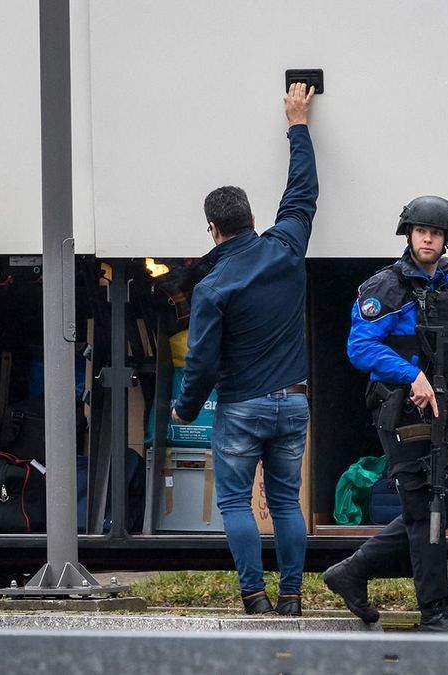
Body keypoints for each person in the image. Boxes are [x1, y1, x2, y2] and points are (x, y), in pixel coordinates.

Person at [170, 82, 317, 616]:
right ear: (254, 219)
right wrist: (298, 125)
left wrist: (184, 407)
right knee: (284, 501)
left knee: (235, 500)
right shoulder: (285, 248)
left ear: (212, 230)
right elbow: (302, 193)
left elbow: (202, 361)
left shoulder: (212, 288)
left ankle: (255, 598)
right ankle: (294, 598)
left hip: (242, 408)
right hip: (294, 402)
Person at [324, 195, 448, 632]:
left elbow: (438, 352)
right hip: (401, 411)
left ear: (447, 239)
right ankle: (434, 613)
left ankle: (351, 573)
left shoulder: (444, 288)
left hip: (438, 409)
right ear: (409, 235)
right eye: (420, 231)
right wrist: (411, 375)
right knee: (428, 507)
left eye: (435, 233)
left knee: (431, 508)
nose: (427, 238)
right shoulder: (385, 287)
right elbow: (361, 347)